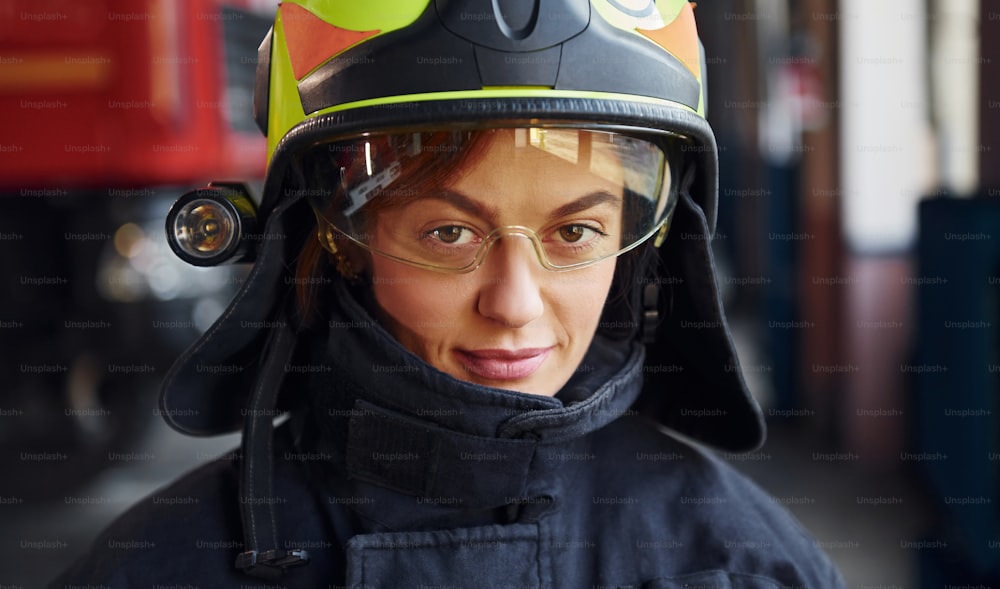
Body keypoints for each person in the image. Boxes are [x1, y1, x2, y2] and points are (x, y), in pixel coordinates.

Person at [52, 1, 846, 587]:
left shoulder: (739, 560)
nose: (515, 304)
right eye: (447, 234)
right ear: (327, 239)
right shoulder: (159, 565)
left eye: (574, 233)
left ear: (645, 256)